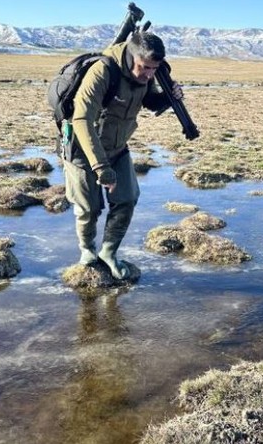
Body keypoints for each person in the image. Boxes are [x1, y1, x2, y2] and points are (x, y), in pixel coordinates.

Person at [62, 31, 183, 279]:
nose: (150, 74)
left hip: (117, 147)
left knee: (127, 199)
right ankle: (87, 251)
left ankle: (108, 251)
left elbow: (147, 101)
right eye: (145, 68)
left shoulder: (147, 74)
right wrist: (100, 167)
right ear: (132, 56)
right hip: (82, 149)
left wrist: (167, 99)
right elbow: (82, 118)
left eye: (154, 69)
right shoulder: (104, 71)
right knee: (89, 207)